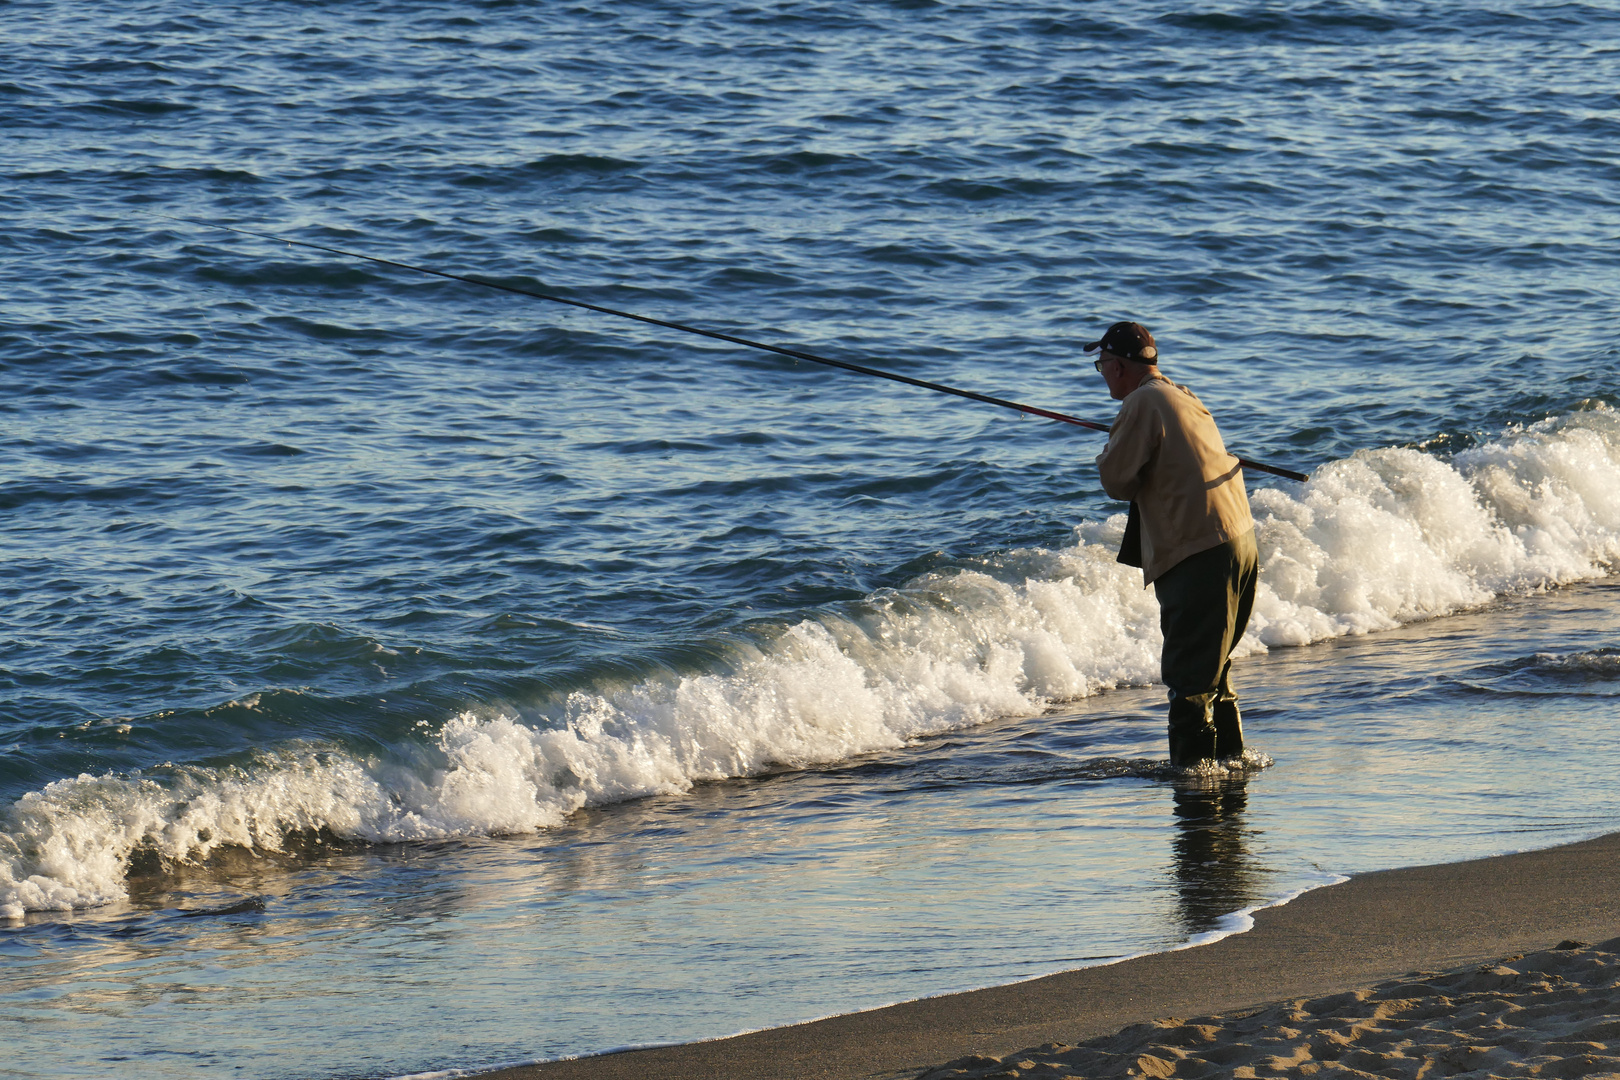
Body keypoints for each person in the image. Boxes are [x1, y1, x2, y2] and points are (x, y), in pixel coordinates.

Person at [1087, 321, 1258, 768]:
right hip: (1237, 541)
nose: (1101, 373)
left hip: (1199, 552)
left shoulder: (1142, 402)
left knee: (1190, 681)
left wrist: (1109, 449)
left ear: (1120, 366)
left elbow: (1117, 480)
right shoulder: (1181, 395)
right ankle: (1231, 770)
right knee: (1215, 672)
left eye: (1101, 364)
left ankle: (1196, 786)